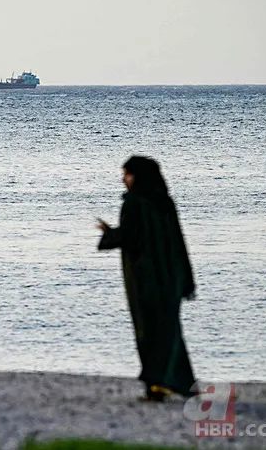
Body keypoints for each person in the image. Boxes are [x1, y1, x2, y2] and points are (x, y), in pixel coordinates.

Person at [96, 156, 196, 401]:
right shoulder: (164, 202)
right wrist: (187, 278)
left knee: (148, 329)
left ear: (137, 177)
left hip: (144, 277)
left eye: (128, 174)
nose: (124, 179)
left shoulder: (134, 203)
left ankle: (156, 385)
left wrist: (108, 234)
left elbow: (130, 237)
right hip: (171, 276)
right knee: (170, 330)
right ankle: (177, 382)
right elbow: (178, 241)